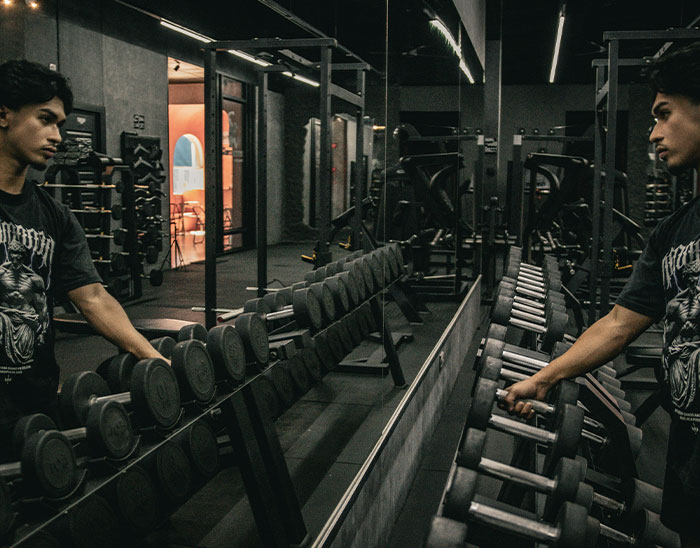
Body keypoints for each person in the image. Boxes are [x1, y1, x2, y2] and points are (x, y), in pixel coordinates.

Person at [503, 41, 700, 546]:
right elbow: (619, 324)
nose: (653, 132)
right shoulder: (673, 232)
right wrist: (544, 378)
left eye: (663, 114)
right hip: (690, 452)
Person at [0, 59, 166, 438]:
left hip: (34, 405)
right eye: (45, 119)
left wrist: (153, 358)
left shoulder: (54, 216)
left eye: (59, 123)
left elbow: (93, 298)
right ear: (4, 115)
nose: (57, 135)